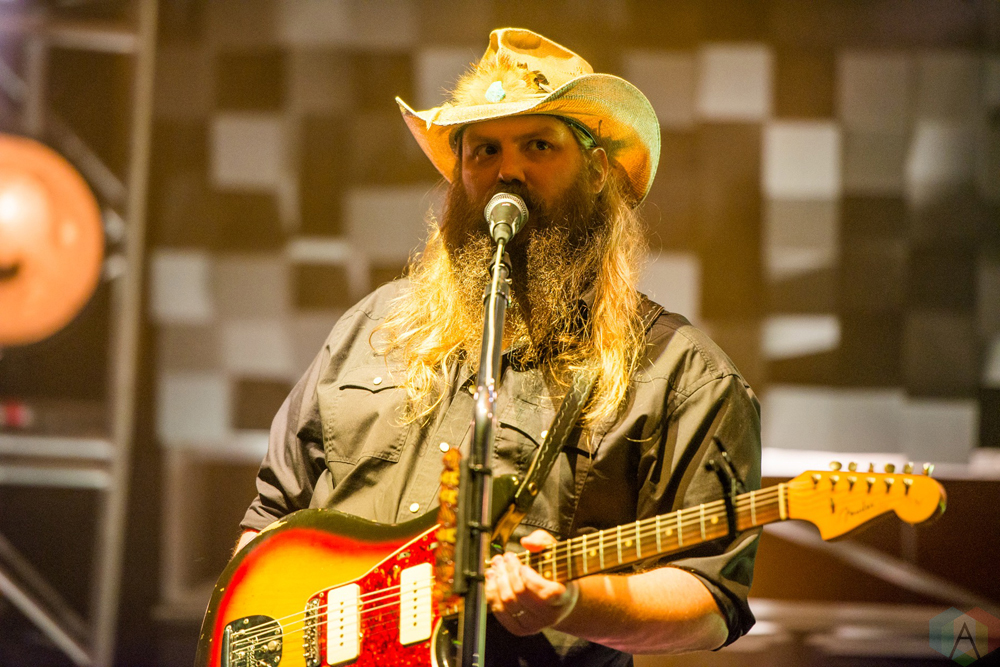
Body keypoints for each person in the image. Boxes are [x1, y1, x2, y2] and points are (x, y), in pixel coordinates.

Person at [235, 28, 762, 666]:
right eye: (483, 150)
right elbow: (273, 515)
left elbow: (710, 597)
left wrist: (573, 604)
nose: (506, 171)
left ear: (598, 171)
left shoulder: (680, 372)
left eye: (538, 145)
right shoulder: (374, 326)